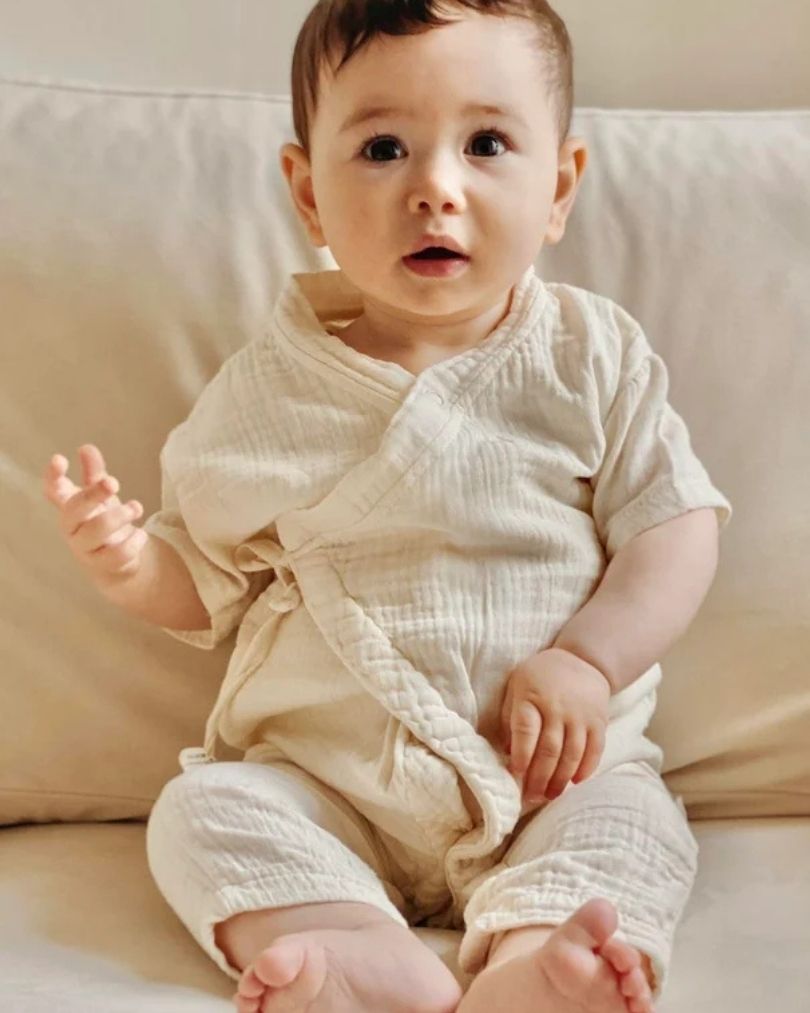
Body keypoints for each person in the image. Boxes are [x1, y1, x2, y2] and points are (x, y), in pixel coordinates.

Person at [43, 2, 733, 1012]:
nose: (434, 188)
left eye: (486, 143)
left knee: (634, 823)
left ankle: (539, 961)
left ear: (559, 187)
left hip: (550, 781)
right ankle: (351, 946)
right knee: (200, 809)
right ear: (308, 195)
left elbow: (675, 524)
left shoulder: (590, 355)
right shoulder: (268, 389)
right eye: (381, 149)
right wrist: (131, 564)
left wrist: (591, 659)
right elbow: (205, 575)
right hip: (333, 787)